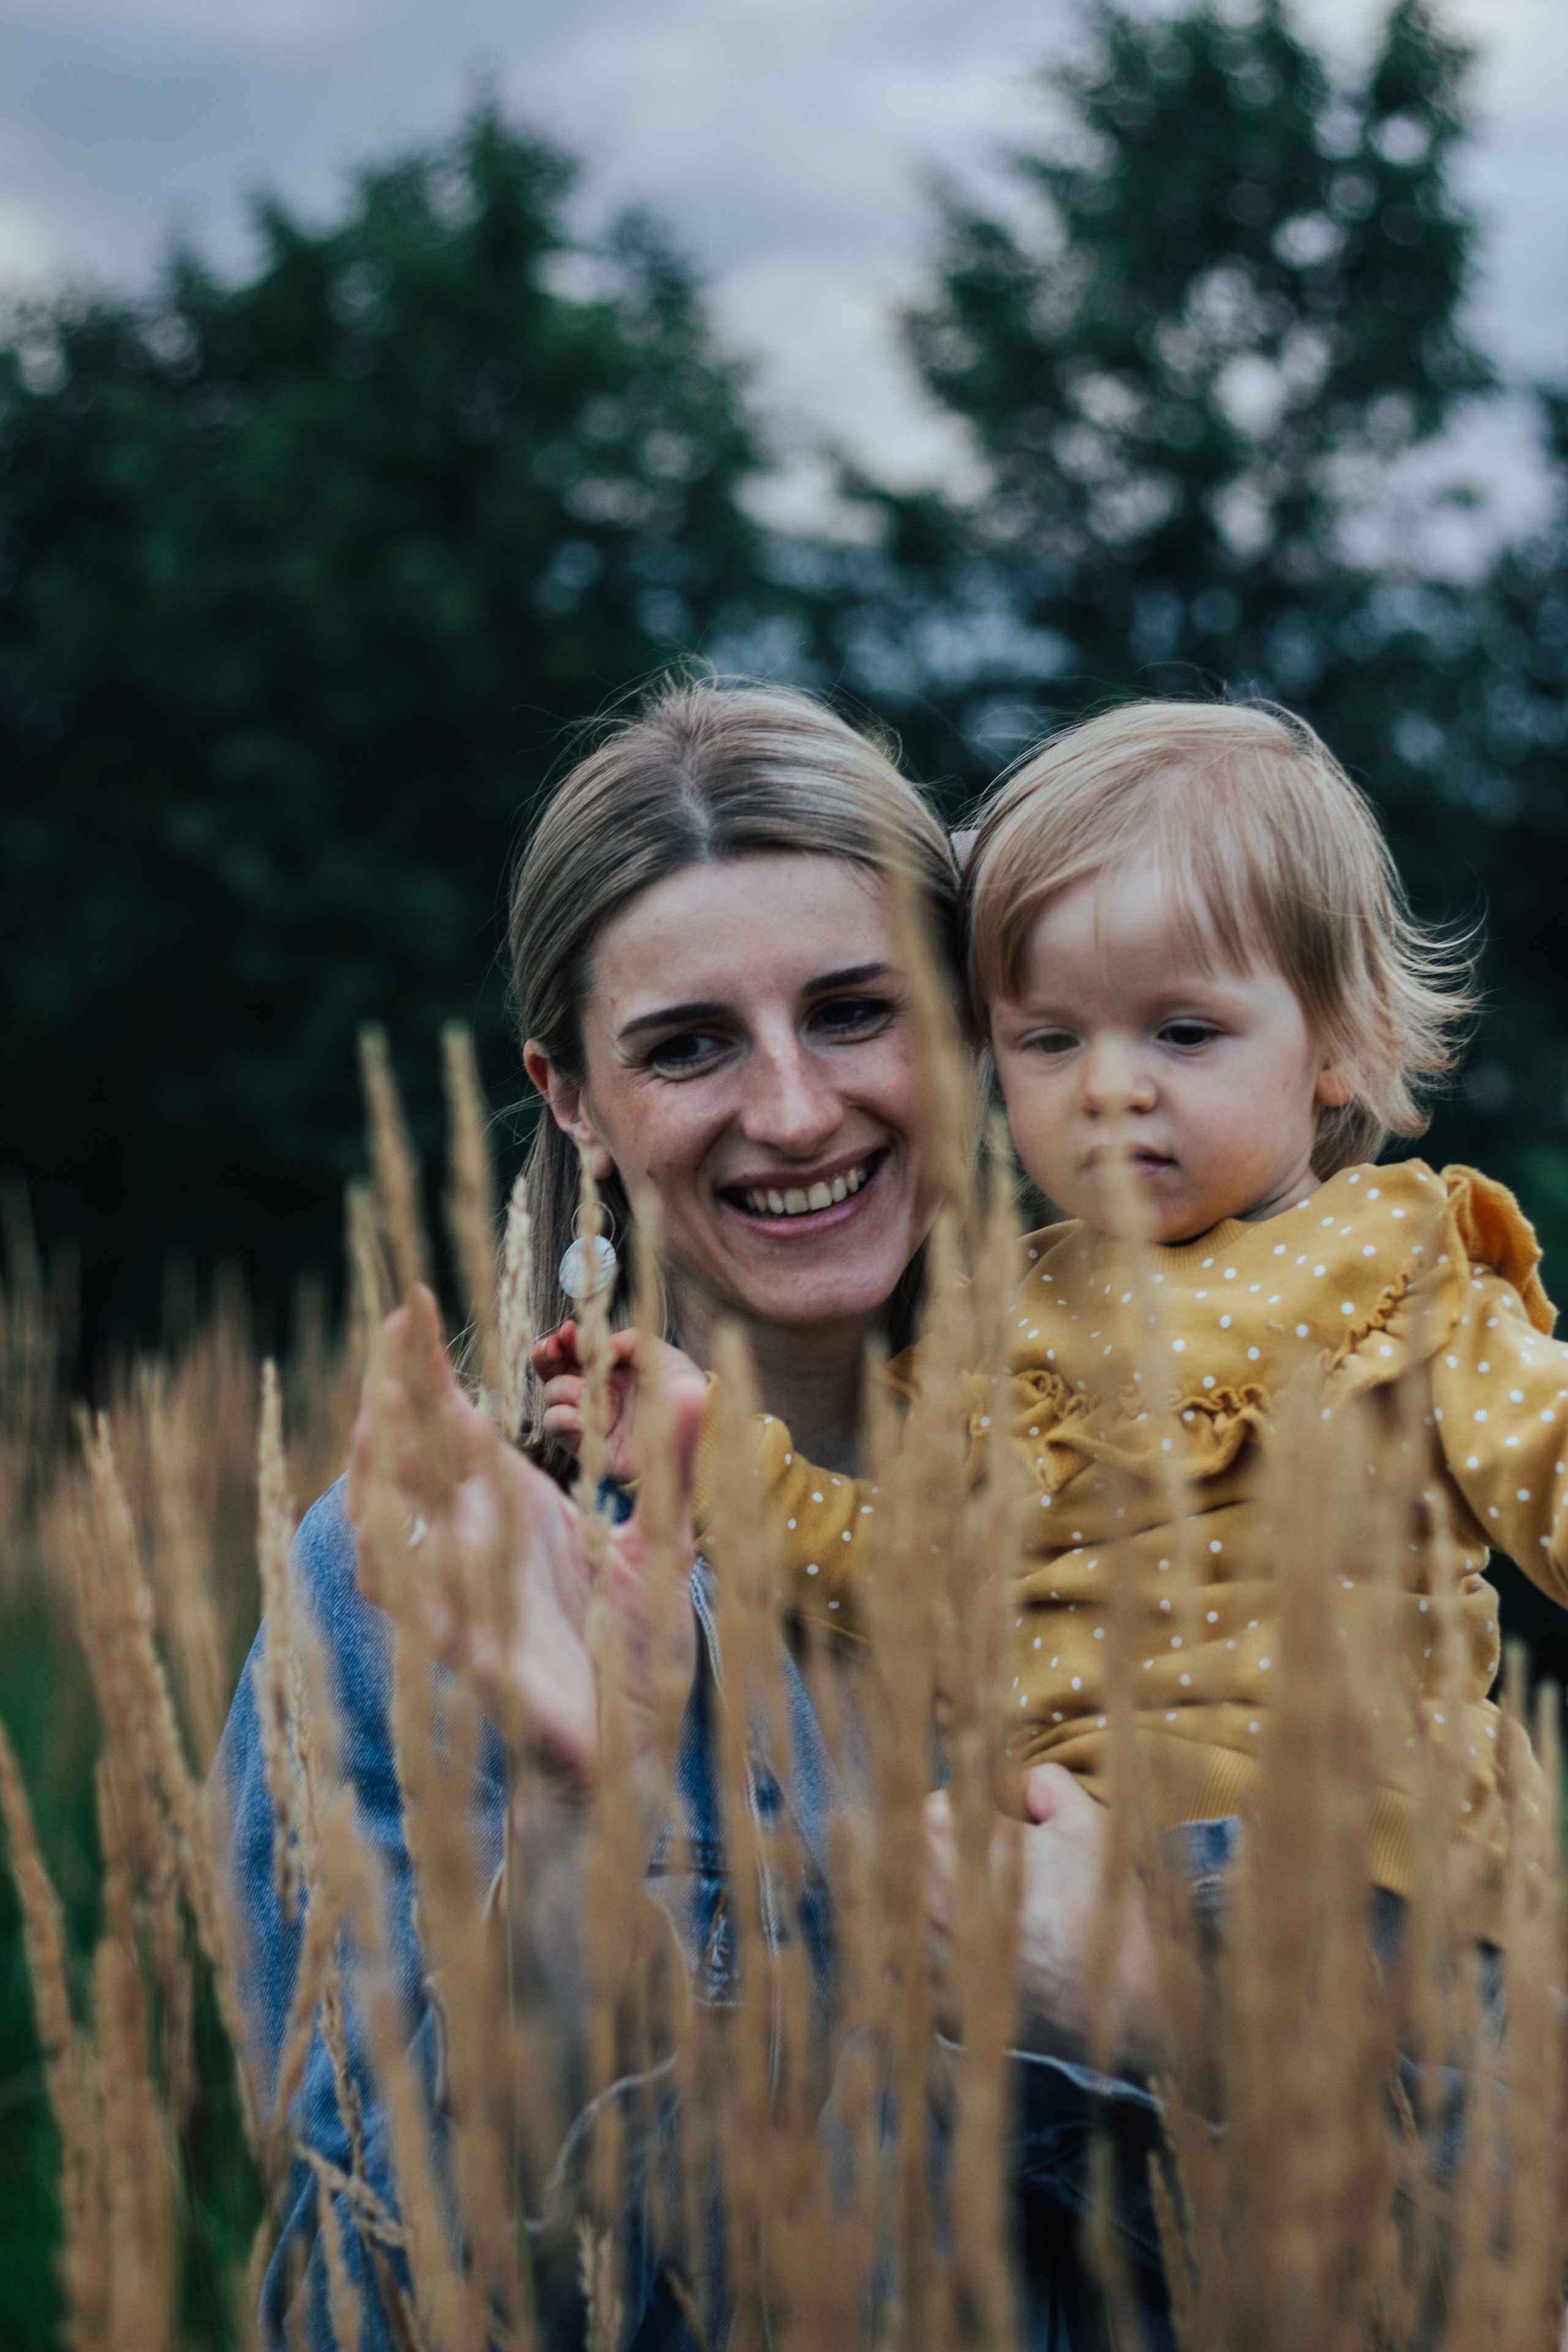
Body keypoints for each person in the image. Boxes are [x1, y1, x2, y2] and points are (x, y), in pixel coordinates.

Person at [217, 680, 1170, 2352]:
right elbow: (365, 2309)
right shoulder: (416, 1587)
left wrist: (1171, 2026)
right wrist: (587, 1833)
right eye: (688, 1044)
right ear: (571, 1096)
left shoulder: (1192, 1527)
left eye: (858, 1012)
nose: (795, 1110)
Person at [557, 698, 1565, 1948]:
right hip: (1068, 1878)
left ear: (1336, 1043)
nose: (1108, 1088)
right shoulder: (1010, 1321)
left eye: (1183, 1032)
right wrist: (730, 1471)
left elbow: (1548, 1463)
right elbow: (916, 1578)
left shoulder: (1391, 1269)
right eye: (1047, 1040)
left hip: (1366, 1867)